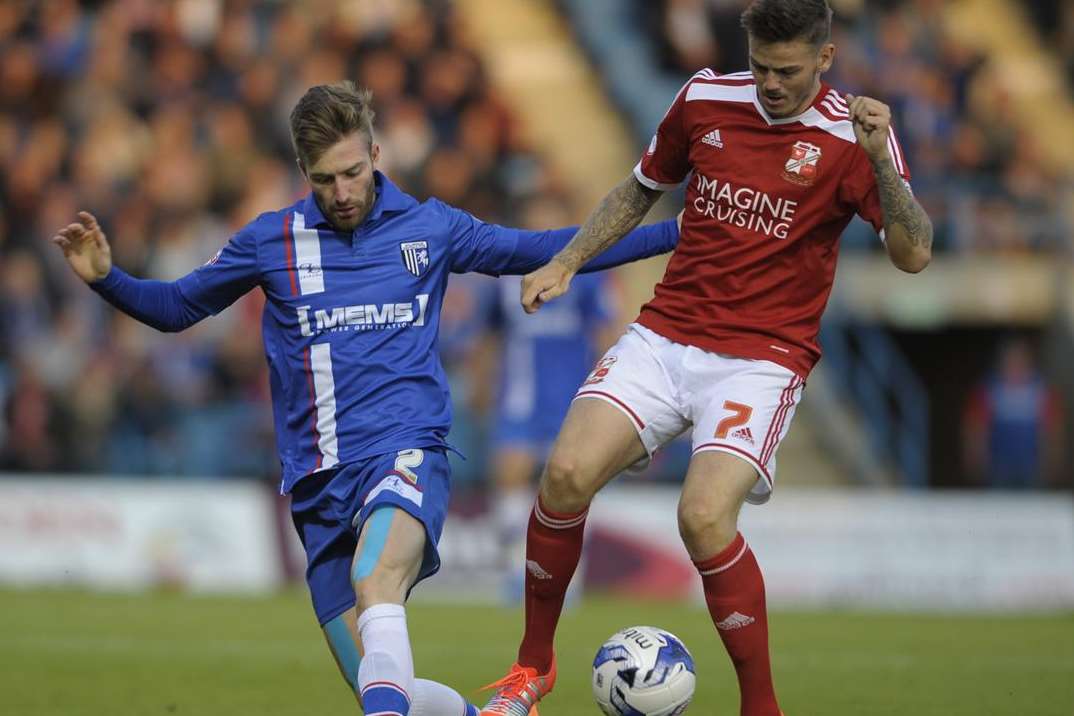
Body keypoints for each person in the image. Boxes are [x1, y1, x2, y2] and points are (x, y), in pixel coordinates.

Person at [51, 81, 679, 716]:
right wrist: (108, 280)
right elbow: (178, 306)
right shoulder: (272, 241)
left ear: (376, 153)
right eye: (325, 179)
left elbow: (543, 249)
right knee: (384, 691)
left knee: (376, 580)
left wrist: (676, 234)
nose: (343, 192)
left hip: (403, 452)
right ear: (304, 172)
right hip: (317, 486)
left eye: (353, 172)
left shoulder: (430, 228)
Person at [480, 2, 932, 715]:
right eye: (759, 66)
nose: (770, 84)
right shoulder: (704, 98)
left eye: (786, 71)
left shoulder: (855, 135)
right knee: (564, 475)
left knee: (702, 518)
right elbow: (640, 190)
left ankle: (761, 707)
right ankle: (532, 669)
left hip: (762, 357)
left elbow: (914, 254)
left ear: (825, 58)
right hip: (666, 334)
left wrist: (881, 164)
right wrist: (568, 262)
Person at [962, 337, 1063, 489]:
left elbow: (1052, 428)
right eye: (1010, 360)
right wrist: (975, 456)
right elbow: (976, 427)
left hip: (1031, 467)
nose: (1014, 364)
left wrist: (1053, 459)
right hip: (999, 466)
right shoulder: (990, 389)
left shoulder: (1040, 390)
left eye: (1019, 359)